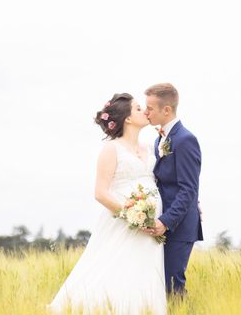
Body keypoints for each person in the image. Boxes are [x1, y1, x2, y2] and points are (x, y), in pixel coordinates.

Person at [48, 93, 167, 315]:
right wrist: (132, 216)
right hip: (124, 223)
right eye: (138, 108)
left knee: (143, 273)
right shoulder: (111, 149)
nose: (145, 111)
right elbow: (100, 193)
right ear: (128, 118)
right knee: (115, 268)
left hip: (151, 228)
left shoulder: (150, 147)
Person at [143, 83, 203, 296]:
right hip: (163, 223)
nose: (145, 112)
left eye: (150, 108)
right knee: (159, 286)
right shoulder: (160, 139)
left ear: (166, 110)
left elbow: (188, 189)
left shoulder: (185, 140)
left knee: (172, 286)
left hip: (178, 227)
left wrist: (166, 221)